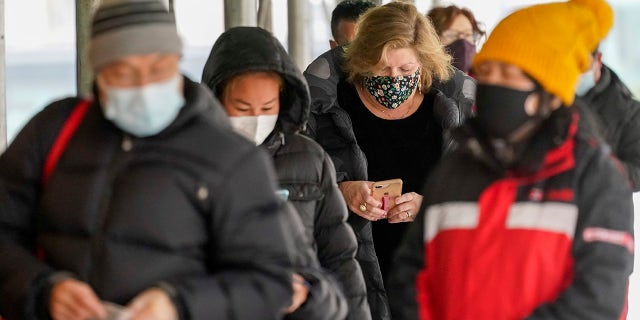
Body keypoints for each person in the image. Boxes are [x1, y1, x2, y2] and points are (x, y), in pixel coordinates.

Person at [0, 1, 303, 319]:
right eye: (123, 74)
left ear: (177, 61)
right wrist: (43, 289)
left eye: (159, 69)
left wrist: (179, 304)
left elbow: (270, 282)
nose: (144, 86)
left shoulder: (230, 157)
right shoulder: (55, 131)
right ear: (98, 72)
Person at [389, 0, 634, 319]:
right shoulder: (455, 169)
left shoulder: (594, 178)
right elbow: (411, 273)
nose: (493, 85)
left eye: (509, 73)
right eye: (487, 71)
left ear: (550, 93)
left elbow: (597, 299)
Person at [304, 3, 475, 319]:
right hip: (345, 281)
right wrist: (339, 193)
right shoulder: (324, 109)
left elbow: (486, 195)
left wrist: (430, 207)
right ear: (360, 60)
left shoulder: (457, 110)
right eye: (381, 69)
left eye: (406, 70)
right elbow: (292, 185)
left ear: (424, 64)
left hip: (429, 285)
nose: (393, 79)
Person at [201, 26, 368, 320]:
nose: (255, 119)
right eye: (242, 108)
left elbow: (339, 256)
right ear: (215, 100)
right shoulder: (193, 163)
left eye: (267, 107)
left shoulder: (310, 158)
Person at [576, 48, 640, 191]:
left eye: (582, 65)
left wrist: (592, 167)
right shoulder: (550, 100)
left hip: (604, 206)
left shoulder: (630, 112)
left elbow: (637, 174)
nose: (576, 73)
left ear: (598, 60)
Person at [427, 5, 486, 74]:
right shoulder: (422, 81)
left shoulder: (484, 79)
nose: (462, 41)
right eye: (452, 34)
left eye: (468, 34)